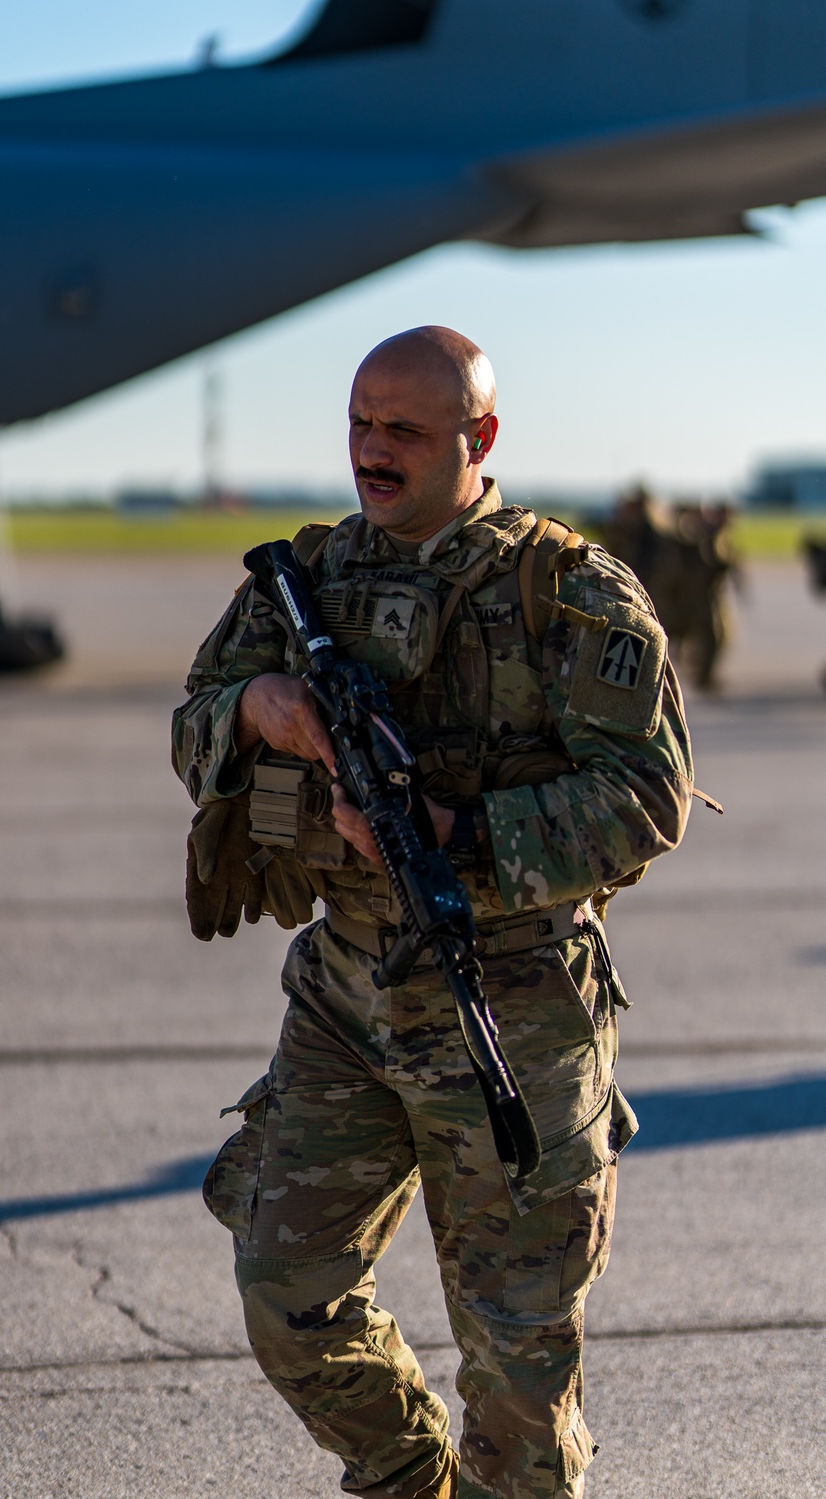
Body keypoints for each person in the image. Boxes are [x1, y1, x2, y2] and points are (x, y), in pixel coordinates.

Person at [172, 327, 693, 1499]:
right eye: (360, 423)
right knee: (285, 1287)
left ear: (479, 439)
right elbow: (192, 719)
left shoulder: (566, 594)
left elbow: (646, 796)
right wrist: (261, 705)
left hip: (508, 1003)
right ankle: (412, 1476)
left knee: (516, 1362)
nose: (371, 450)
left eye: (403, 430)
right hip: (347, 993)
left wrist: (456, 836)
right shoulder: (301, 581)